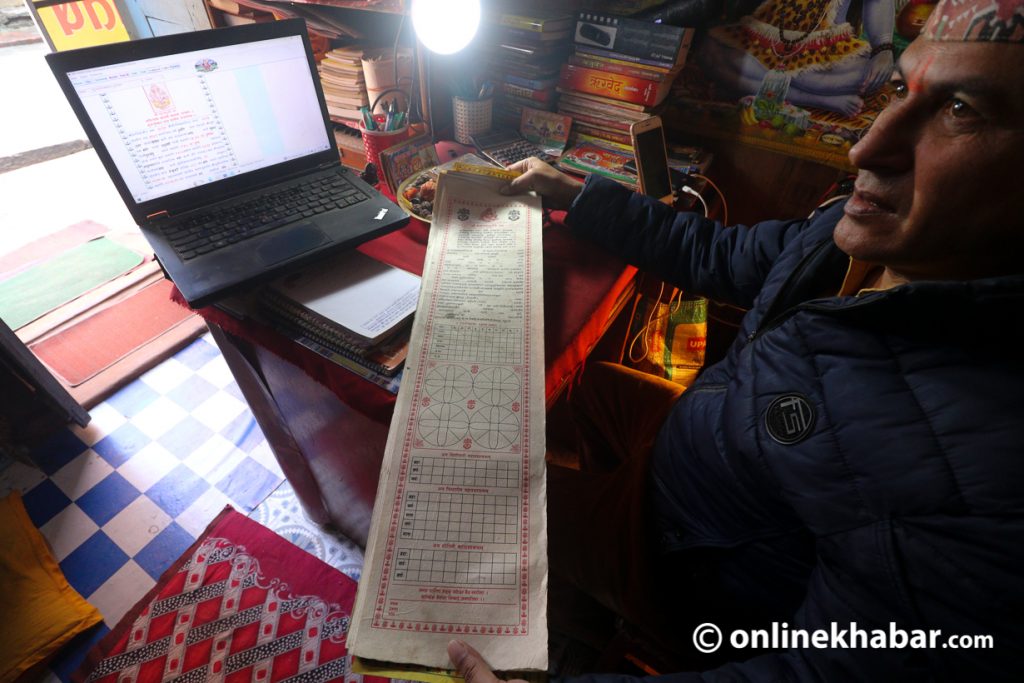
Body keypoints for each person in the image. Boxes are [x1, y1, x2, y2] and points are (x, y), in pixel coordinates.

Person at [444, 0, 1024, 679]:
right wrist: (582, 194)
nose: (867, 146)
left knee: (486, 511)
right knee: (575, 388)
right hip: (702, 461)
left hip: (682, 575)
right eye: (900, 89)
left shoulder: (982, 481)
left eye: (962, 111)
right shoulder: (866, 234)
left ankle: (590, 612)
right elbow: (728, 254)